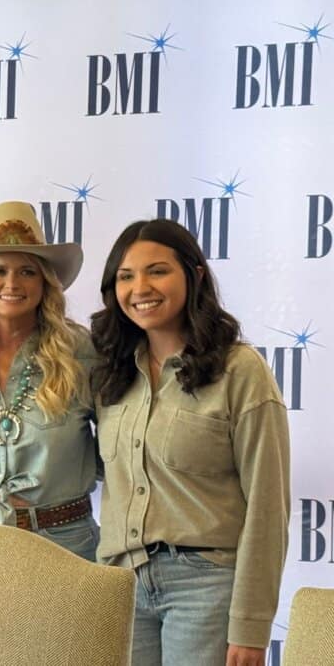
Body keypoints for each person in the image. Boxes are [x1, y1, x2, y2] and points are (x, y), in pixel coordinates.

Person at [90, 218, 290, 666]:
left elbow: (267, 505)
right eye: (125, 276)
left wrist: (252, 626)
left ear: (195, 275)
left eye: (157, 271)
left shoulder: (240, 371)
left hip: (205, 587)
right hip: (120, 586)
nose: (140, 287)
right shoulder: (110, 373)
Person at [0, 200, 100, 560]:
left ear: (45, 283)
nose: (11, 283)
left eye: (26, 271)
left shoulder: (82, 354)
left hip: (63, 545)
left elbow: (118, 449)